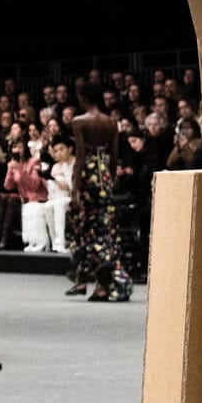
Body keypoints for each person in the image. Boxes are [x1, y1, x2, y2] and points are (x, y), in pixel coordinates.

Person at [66, 80, 133, 301]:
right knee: (103, 228)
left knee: (86, 228)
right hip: (104, 175)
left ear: (83, 97)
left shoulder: (79, 121)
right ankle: (97, 282)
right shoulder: (111, 122)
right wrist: (110, 180)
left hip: (88, 176)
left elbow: (80, 157)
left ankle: (95, 282)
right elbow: (114, 156)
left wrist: (74, 190)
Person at [43, 137, 74, 254]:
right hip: (57, 196)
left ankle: (61, 242)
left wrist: (55, 180)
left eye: (61, 149)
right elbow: (51, 188)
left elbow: (70, 187)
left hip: (71, 196)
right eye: (56, 151)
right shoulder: (56, 166)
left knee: (59, 205)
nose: (59, 153)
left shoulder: (75, 163)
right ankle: (54, 242)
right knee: (47, 206)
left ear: (70, 149)